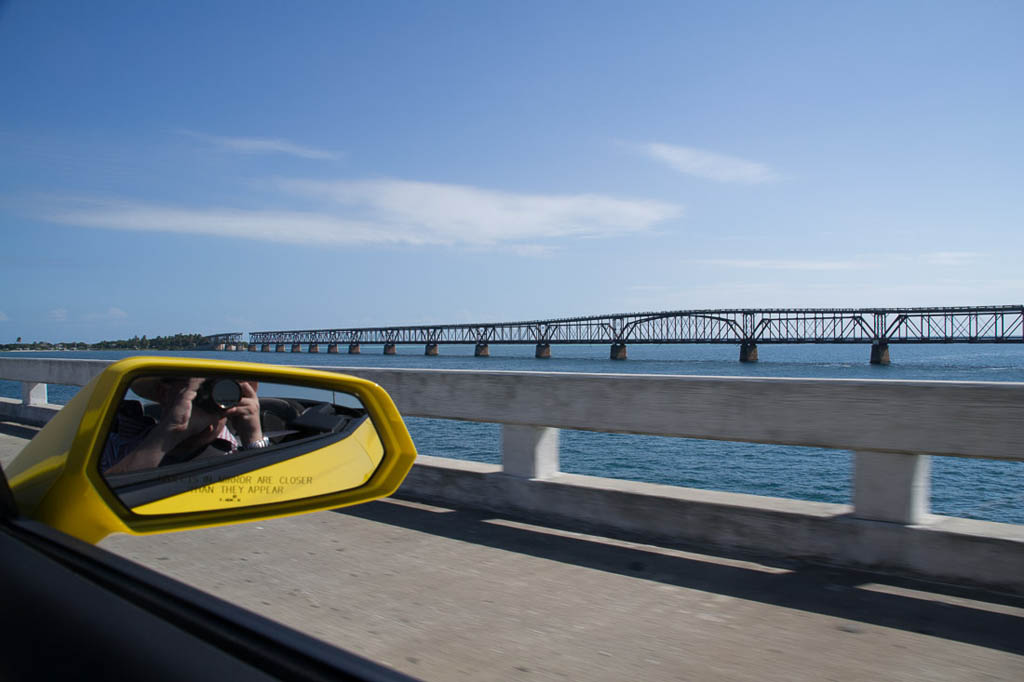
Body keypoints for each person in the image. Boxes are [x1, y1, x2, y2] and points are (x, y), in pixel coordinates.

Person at [102, 376, 267, 474]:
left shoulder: (235, 453)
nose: (207, 402)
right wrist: (169, 433)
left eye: (222, 396)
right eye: (197, 393)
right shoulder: (113, 446)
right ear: (164, 393)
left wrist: (253, 438)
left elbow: (264, 493)